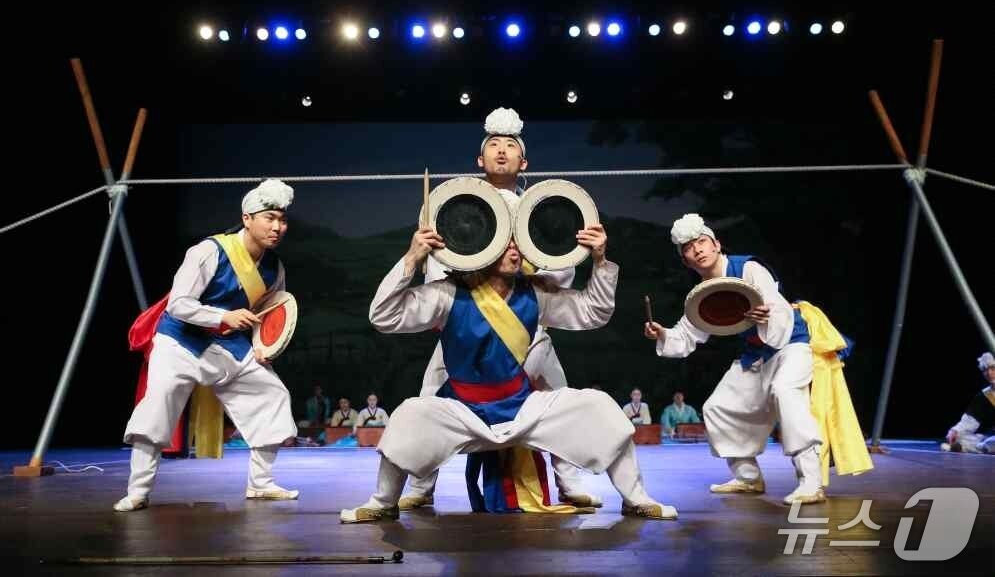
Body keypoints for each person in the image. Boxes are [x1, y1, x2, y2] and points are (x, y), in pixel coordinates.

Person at [340, 212, 676, 523]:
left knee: (598, 406)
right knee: (410, 414)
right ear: (483, 247)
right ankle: (383, 502)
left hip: (520, 405)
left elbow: (593, 312)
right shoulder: (448, 293)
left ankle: (636, 497)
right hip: (462, 409)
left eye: (519, 244)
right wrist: (412, 258)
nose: (515, 250)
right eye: (506, 244)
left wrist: (600, 260)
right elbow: (383, 316)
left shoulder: (535, 293)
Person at [399, 107, 599, 512]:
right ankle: (421, 483)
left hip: (523, 322)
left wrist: (530, 288)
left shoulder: (540, 214)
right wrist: (442, 311)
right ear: (480, 159)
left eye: (510, 146)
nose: (502, 151)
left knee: (556, 395)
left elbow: (559, 267)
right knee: (431, 397)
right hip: (465, 321)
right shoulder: (460, 210)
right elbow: (438, 260)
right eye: (494, 145)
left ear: (524, 162)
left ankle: (569, 480)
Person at [644, 213, 871, 505]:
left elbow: (777, 307)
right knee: (718, 407)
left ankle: (811, 482)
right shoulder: (703, 294)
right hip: (756, 355)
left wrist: (767, 315)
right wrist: (662, 333)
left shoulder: (748, 268)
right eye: (688, 248)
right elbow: (688, 334)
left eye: (701, 242)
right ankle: (748, 477)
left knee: (785, 391)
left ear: (716, 244)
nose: (697, 250)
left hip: (792, 343)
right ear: (685, 261)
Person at [114, 179, 300, 512]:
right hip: (179, 341)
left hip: (226, 346)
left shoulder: (275, 269)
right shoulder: (208, 252)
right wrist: (223, 316)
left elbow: (267, 314)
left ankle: (260, 484)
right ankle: (138, 491)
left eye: (282, 220)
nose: (277, 227)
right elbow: (179, 304)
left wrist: (262, 347)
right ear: (247, 219)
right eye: (270, 218)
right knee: (158, 405)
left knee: (272, 394)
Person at [942, 352, 995, 454]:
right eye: (985, 370)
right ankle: (972, 446)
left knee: (991, 442)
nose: (989, 373)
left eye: (993, 368)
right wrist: (955, 431)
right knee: (958, 437)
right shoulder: (985, 395)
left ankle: (973, 447)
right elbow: (970, 420)